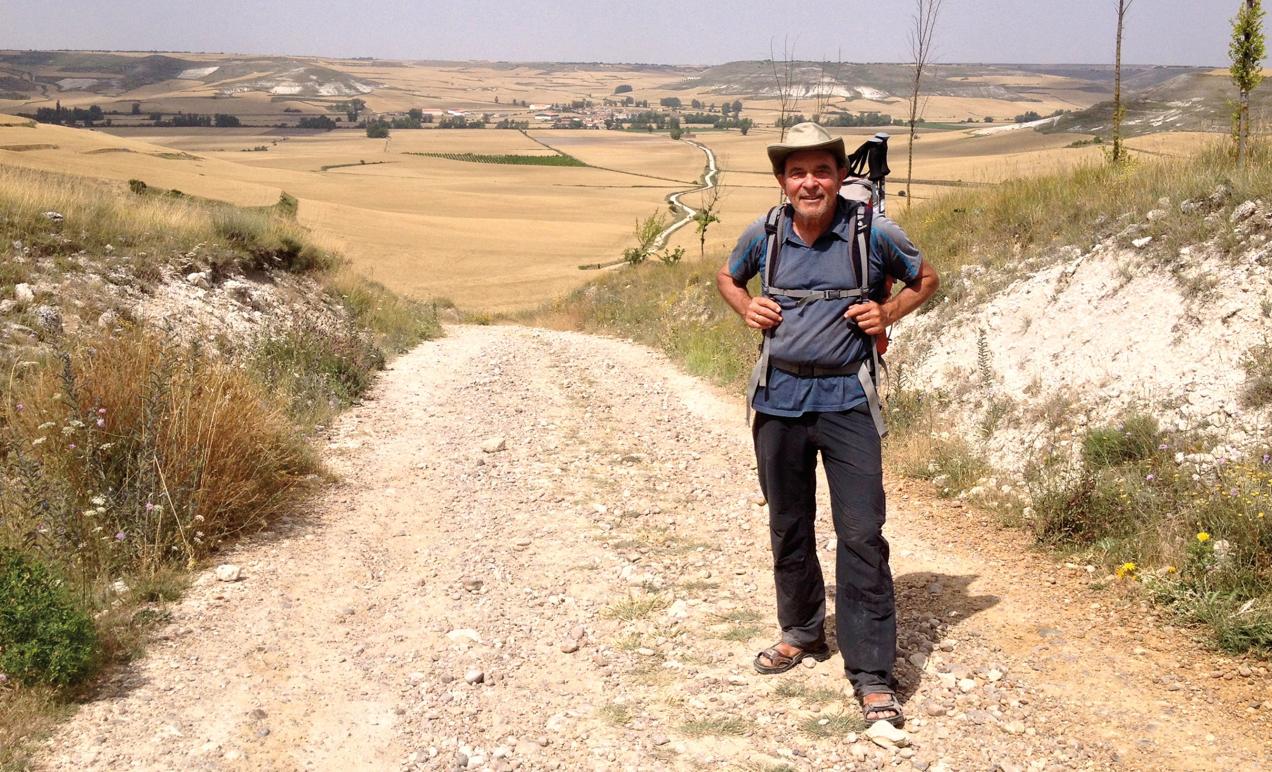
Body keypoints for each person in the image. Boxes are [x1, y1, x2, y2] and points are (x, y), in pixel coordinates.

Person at [715, 122, 939, 727]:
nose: (809, 182)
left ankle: (872, 675)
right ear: (783, 181)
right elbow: (728, 277)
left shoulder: (870, 230)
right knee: (788, 522)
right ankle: (803, 632)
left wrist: (887, 309)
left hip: (847, 403)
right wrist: (746, 306)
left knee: (862, 532)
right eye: (797, 172)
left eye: (821, 170)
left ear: (840, 176)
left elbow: (926, 278)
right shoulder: (764, 233)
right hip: (779, 398)